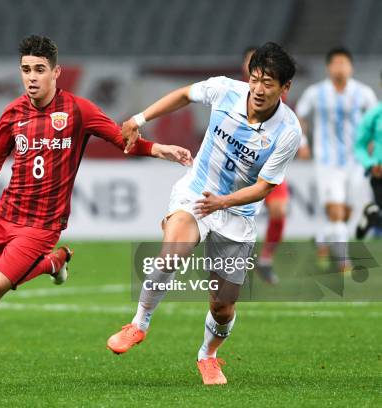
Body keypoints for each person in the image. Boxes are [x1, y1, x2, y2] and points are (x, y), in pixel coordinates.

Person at [0, 35, 192, 388]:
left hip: (41, 226)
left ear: (56, 72)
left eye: (39, 70)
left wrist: (160, 149)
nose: (31, 77)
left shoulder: (78, 110)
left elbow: (120, 138)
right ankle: (53, 263)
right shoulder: (12, 114)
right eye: (25, 70)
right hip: (4, 216)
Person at [107, 43, 302, 385]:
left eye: (268, 83)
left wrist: (224, 203)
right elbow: (185, 94)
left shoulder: (288, 132)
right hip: (196, 193)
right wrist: (139, 119)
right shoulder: (225, 90)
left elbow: (263, 187)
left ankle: (208, 356)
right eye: (255, 78)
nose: (258, 89)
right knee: (171, 254)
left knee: (222, 307)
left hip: (237, 215)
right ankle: (138, 323)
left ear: (285, 88)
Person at [296, 47, 378, 271]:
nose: (341, 67)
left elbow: (375, 124)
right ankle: (343, 262)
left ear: (350, 67)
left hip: (356, 161)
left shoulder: (364, 93)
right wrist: (303, 142)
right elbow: (300, 116)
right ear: (328, 67)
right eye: (337, 63)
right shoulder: (316, 93)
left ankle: (322, 239)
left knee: (348, 213)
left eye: (344, 63)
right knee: (336, 211)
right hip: (327, 162)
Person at [243, 47, 291, 284]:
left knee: (280, 211)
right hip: (239, 168)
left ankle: (266, 260)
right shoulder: (236, 94)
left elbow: (289, 120)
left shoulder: (273, 93)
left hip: (269, 166)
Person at [354, 70, 382, 239]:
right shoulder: (374, 115)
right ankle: (373, 216)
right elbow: (360, 145)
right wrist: (370, 164)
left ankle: (373, 216)